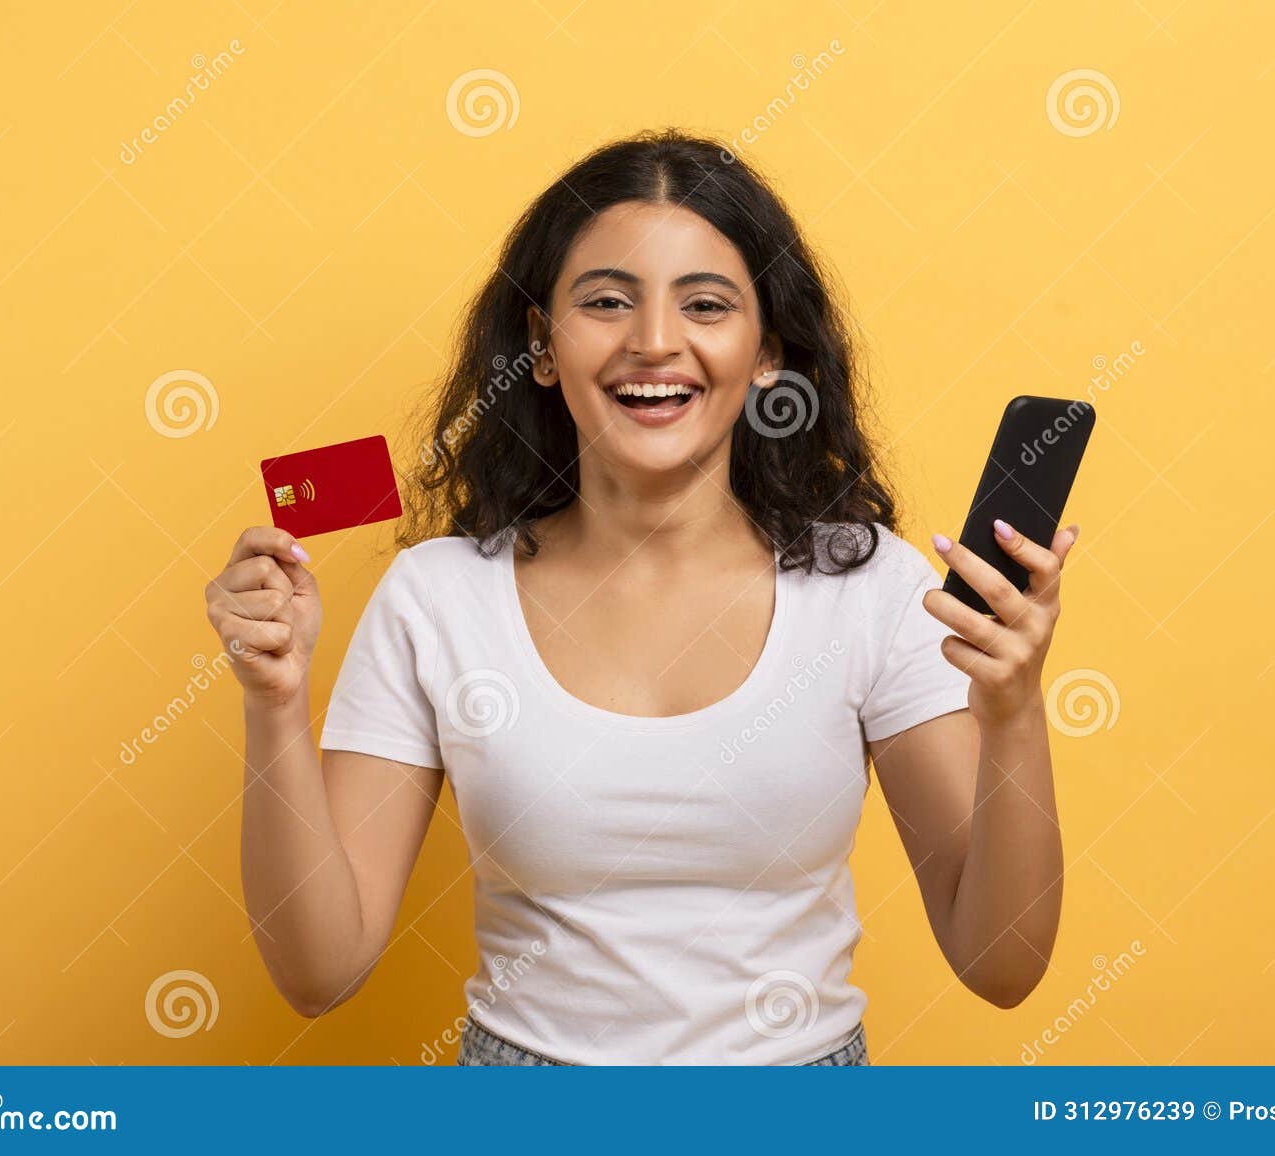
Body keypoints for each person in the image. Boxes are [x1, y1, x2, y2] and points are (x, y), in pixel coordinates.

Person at [203, 128, 1075, 1066]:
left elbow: (1002, 964)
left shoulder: (869, 589)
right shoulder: (437, 596)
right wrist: (275, 700)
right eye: (607, 301)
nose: (654, 343)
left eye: (705, 304)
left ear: (769, 352)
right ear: (542, 346)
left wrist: (1015, 712)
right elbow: (318, 973)